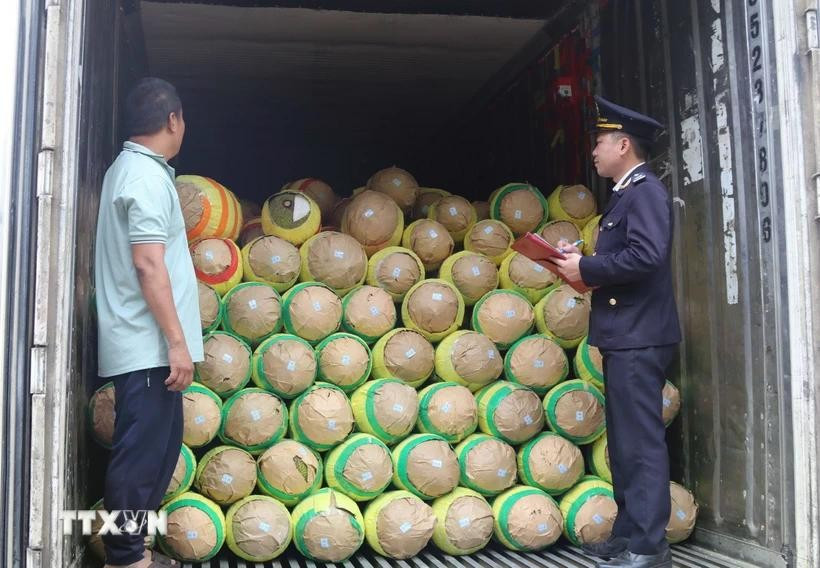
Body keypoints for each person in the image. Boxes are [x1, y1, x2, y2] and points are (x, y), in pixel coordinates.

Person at [551, 96, 681, 568]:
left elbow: (647, 256)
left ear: (623, 144)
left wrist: (585, 265)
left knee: (641, 443)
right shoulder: (627, 193)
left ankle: (649, 547)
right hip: (626, 334)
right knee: (625, 442)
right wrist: (580, 257)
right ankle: (629, 535)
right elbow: (627, 255)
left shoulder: (644, 191)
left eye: (601, 142)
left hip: (640, 334)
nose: (594, 152)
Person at [94, 77, 202, 568]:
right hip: (147, 346)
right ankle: (125, 557)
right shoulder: (144, 177)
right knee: (140, 459)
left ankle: (133, 550)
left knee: (158, 452)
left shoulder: (135, 170)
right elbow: (148, 264)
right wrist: (176, 344)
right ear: (172, 120)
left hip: (150, 347)